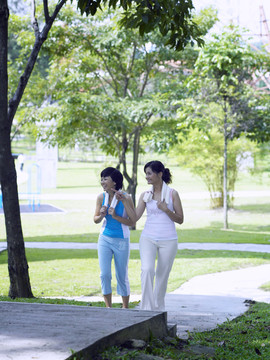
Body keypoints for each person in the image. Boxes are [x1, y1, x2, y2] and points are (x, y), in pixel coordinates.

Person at [136, 160, 184, 311]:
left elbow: (180, 219)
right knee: (147, 269)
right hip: (148, 237)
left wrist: (166, 209)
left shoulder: (172, 193)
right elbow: (135, 217)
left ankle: (157, 309)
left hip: (168, 240)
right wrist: (124, 202)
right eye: (146, 174)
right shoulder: (145, 195)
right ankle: (146, 308)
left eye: (149, 173)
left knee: (162, 275)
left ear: (160, 174)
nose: (147, 177)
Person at [93, 167, 136, 308]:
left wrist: (116, 216)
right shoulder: (101, 197)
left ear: (115, 182)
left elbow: (133, 221)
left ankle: (125, 307)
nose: (102, 181)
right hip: (104, 238)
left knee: (121, 275)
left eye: (106, 179)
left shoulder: (126, 198)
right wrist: (101, 214)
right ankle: (109, 308)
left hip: (121, 240)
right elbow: (96, 220)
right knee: (104, 274)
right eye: (102, 179)